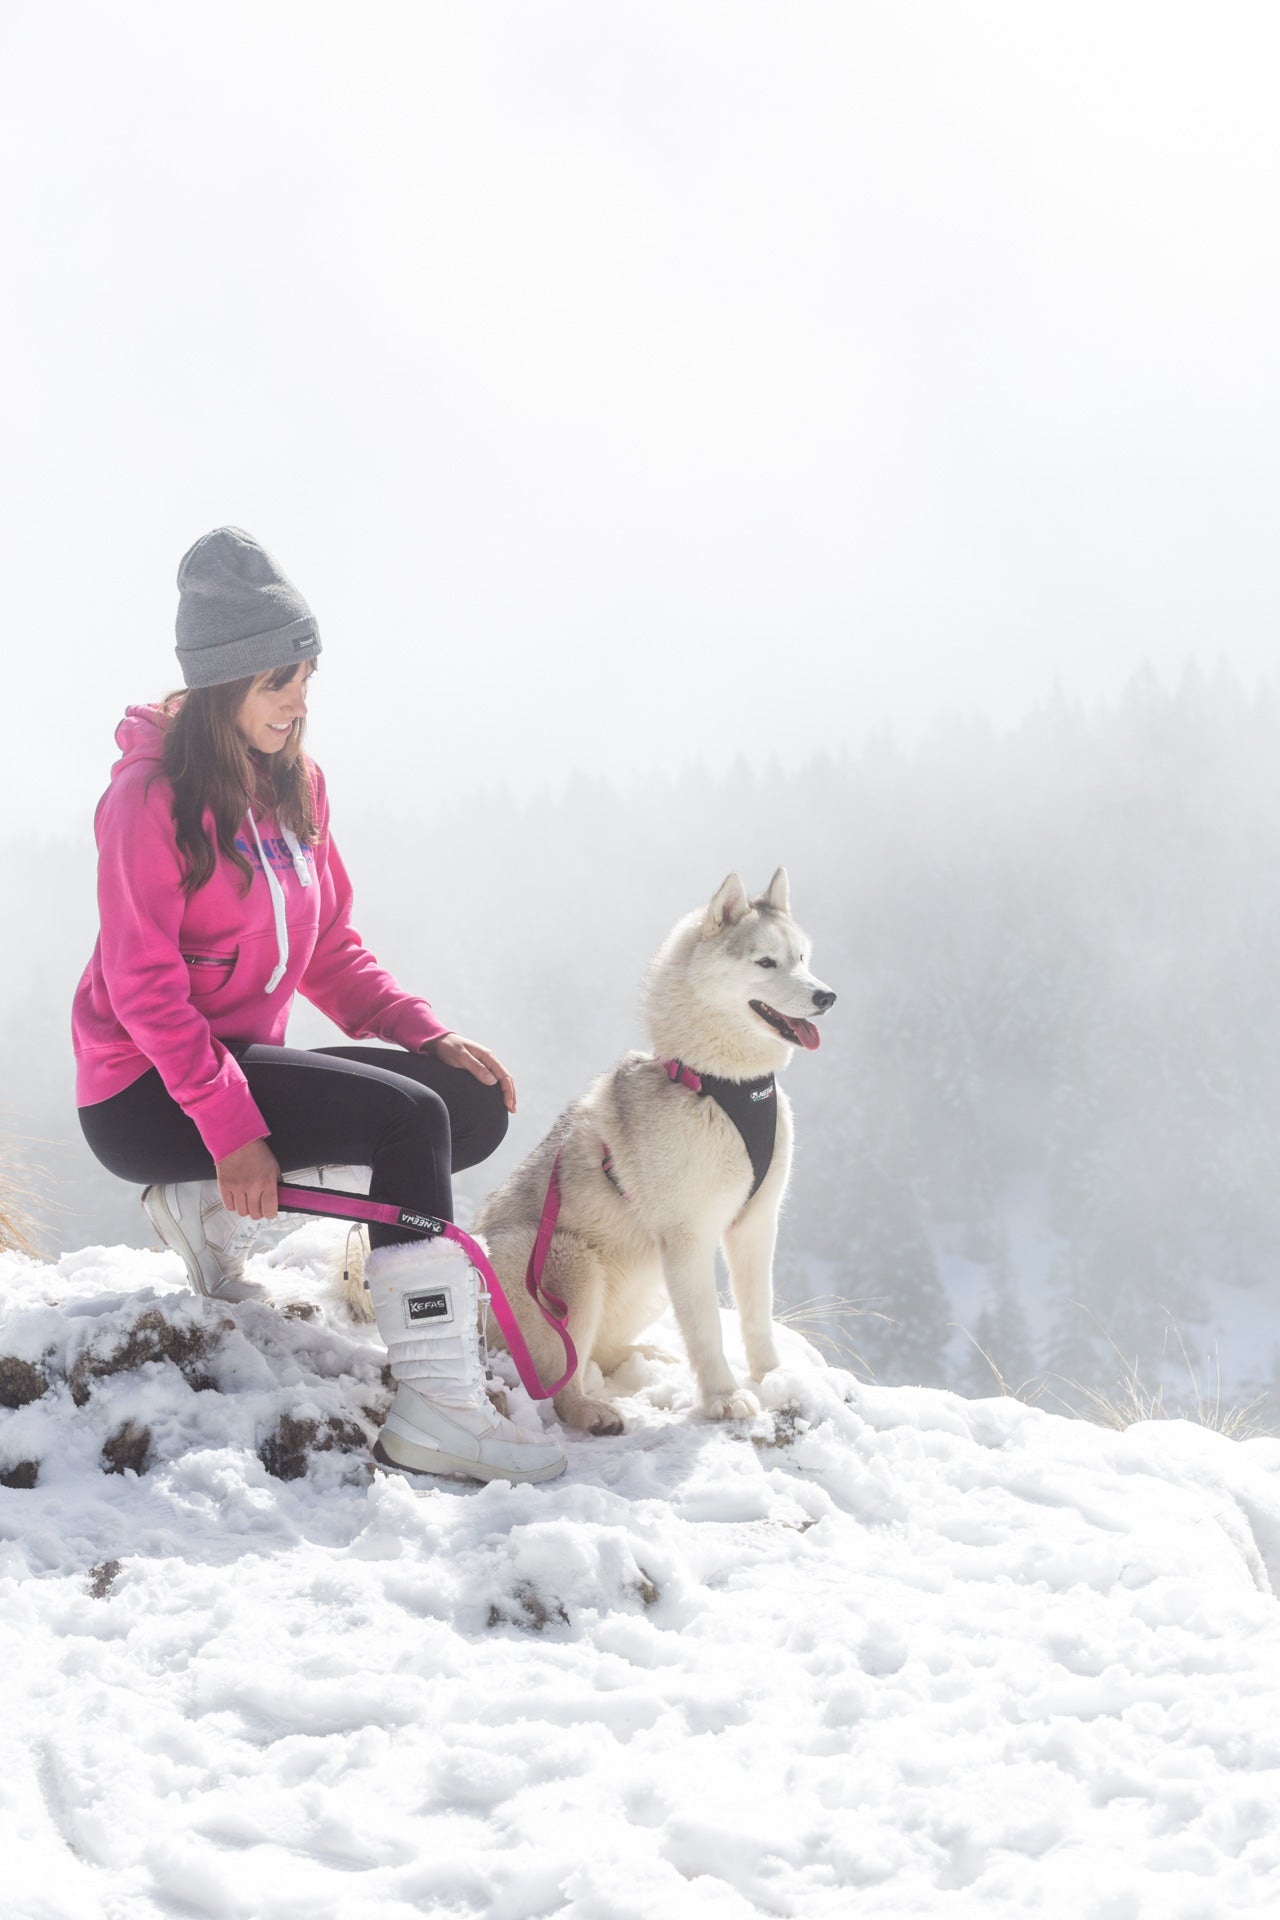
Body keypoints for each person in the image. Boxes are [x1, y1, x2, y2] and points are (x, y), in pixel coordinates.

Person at [73, 526, 565, 1486]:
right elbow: (144, 988)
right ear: (221, 687)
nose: (299, 702)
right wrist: (229, 1129)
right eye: (275, 682)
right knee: (406, 1118)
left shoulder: (297, 785)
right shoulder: (149, 800)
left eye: (306, 675)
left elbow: (328, 947)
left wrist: (429, 1032)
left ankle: (209, 1213)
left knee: (457, 1101)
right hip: (144, 1090)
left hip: (232, 1077)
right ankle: (436, 1408)